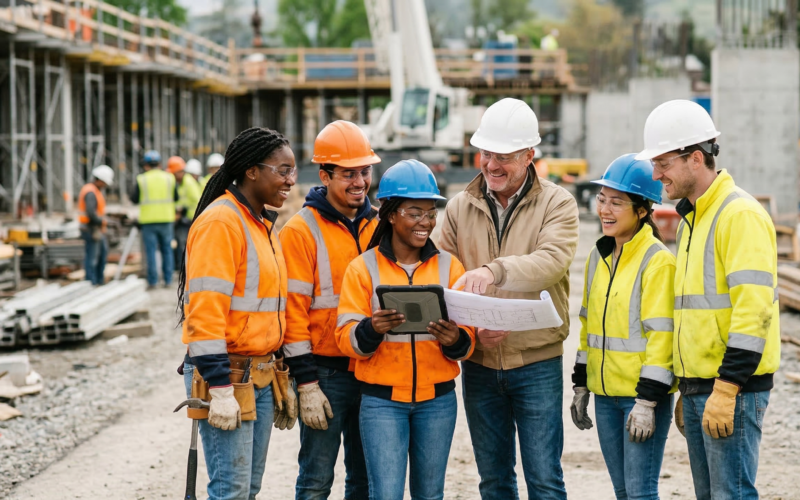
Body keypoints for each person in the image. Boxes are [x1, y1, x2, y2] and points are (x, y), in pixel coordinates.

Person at [637, 99, 780, 500]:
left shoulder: (739, 216)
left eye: (663, 163)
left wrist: (727, 388)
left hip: (732, 390)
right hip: (702, 388)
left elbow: (754, 313)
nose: (656, 174)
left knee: (730, 495)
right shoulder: (691, 221)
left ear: (695, 158)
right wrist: (691, 387)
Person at [438, 97, 579, 500]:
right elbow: (442, 272)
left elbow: (551, 261)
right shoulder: (459, 208)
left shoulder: (558, 203)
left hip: (536, 363)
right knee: (494, 481)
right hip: (479, 365)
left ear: (529, 155)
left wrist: (493, 271)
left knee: (545, 480)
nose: (491, 164)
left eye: (504, 156)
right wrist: (470, 331)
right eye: (485, 153)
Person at [335, 160, 475, 500]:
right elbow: (345, 337)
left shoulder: (449, 266)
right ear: (390, 212)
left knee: (430, 495)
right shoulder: (363, 268)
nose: (425, 222)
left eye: (430, 213)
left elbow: (468, 340)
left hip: (437, 402)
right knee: (386, 495)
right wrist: (371, 329)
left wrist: (455, 339)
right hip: (382, 403)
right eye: (415, 212)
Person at [178, 127, 296, 500]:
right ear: (251, 171)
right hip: (226, 375)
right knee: (230, 490)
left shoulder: (260, 224)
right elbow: (205, 312)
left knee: (248, 489)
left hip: (257, 375)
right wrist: (220, 387)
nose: (291, 180)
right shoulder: (221, 223)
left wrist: (283, 372)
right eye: (283, 170)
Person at [278, 121, 380, 499]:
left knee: (366, 480)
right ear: (325, 174)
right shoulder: (301, 231)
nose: (359, 182)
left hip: (372, 369)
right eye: (348, 173)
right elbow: (292, 312)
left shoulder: (381, 226)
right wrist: (305, 383)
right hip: (325, 374)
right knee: (316, 479)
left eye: (365, 171)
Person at [570, 153, 677, 499]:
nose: (605, 210)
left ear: (643, 211)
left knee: (640, 492)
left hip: (640, 398)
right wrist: (581, 384)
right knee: (622, 491)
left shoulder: (657, 261)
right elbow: (588, 327)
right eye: (602, 199)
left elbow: (662, 336)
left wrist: (647, 403)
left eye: (617, 202)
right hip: (605, 396)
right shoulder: (598, 257)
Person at [131, 150, 178, 289]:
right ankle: (168, 280)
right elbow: (175, 197)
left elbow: (134, 199)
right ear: (160, 164)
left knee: (151, 252)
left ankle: (153, 282)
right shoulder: (169, 178)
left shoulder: (142, 179)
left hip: (148, 221)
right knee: (167, 250)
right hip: (166, 219)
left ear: (146, 165)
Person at [78, 165, 114, 286]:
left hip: (95, 228)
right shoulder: (90, 192)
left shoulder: (94, 191)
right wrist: (103, 221)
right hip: (90, 228)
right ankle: (90, 282)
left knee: (101, 254)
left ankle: (99, 280)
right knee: (92, 257)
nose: (105, 185)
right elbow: (91, 213)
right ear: (99, 180)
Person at [168, 156, 202, 269]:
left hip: (190, 219)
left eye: (174, 173)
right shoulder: (180, 183)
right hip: (185, 218)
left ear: (180, 172)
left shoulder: (189, 183)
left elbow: (197, 201)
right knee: (181, 244)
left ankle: (187, 268)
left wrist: (182, 209)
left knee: (185, 244)